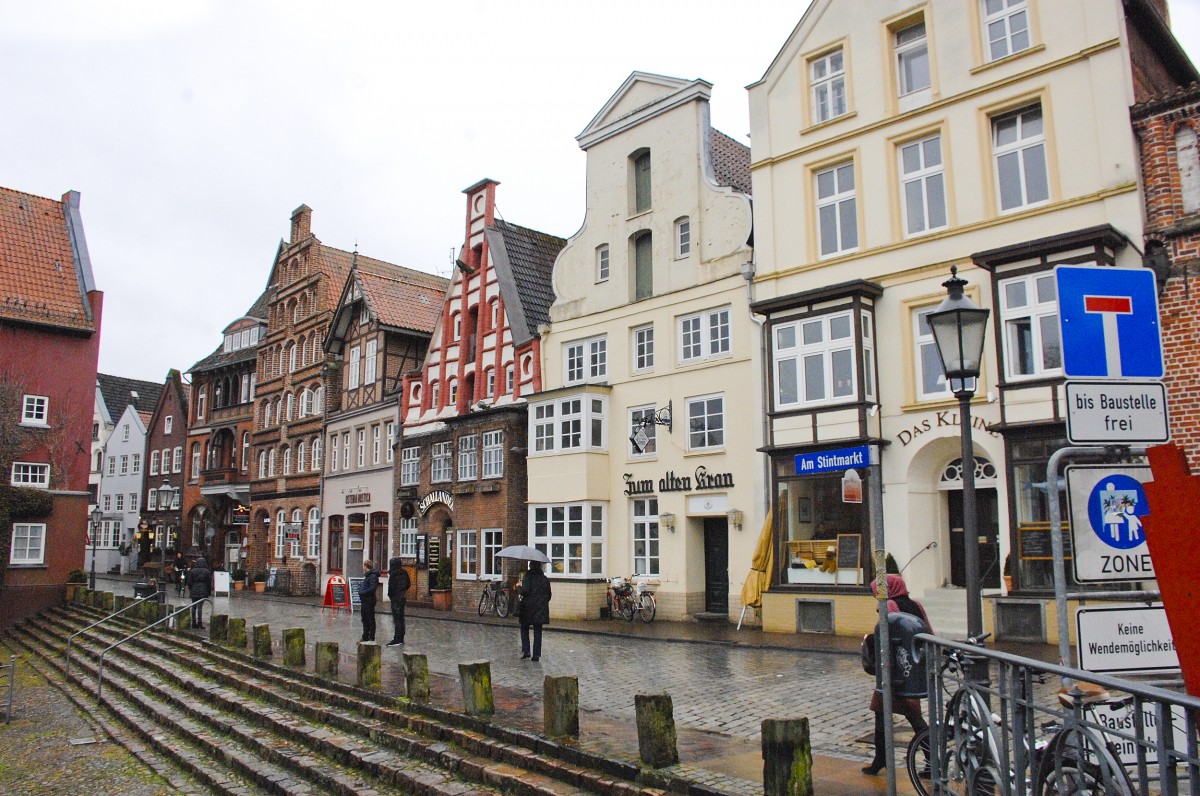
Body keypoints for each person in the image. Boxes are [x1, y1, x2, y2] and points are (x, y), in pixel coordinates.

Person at [862, 573, 933, 776]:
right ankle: (929, 760)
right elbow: (927, 630)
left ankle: (882, 760)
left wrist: (870, 641)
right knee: (905, 715)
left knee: (890, 714)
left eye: (877, 592)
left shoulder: (890, 606)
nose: (877, 597)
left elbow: (884, 633)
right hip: (912, 668)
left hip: (894, 672)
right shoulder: (916, 604)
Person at [515, 561, 551, 661]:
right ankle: (536, 655)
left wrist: (518, 586)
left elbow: (524, 592)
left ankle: (526, 650)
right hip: (540, 609)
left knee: (524, 628)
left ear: (530, 567)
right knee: (538, 631)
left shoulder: (528, 577)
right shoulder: (545, 579)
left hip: (527, 609)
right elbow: (549, 595)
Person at [385, 557, 411, 647]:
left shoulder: (393, 574)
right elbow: (408, 584)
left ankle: (397, 639)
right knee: (401, 618)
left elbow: (391, 588)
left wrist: (391, 596)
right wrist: (403, 591)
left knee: (397, 619)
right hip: (402, 597)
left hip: (396, 599)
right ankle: (401, 638)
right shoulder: (404, 572)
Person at [186, 556, 212, 630]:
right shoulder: (206, 571)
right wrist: (208, 592)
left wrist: (191, 589)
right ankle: (200, 623)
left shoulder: (192, 571)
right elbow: (209, 583)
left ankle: (194, 623)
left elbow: (189, 582)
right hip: (203, 589)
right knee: (200, 607)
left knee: (194, 607)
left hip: (194, 589)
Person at [358, 560, 381, 642]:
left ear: (366, 567)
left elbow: (372, 588)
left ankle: (371, 637)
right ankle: (365, 636)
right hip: (365, 600)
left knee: (370, 619)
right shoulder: (368, 576)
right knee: (364, 618)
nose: (362, 567)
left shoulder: (372, 576)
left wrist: (363, 592)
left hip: (369, 600)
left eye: (363, 566)